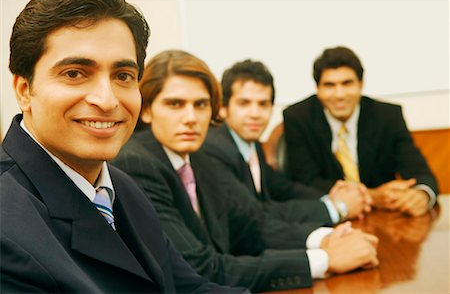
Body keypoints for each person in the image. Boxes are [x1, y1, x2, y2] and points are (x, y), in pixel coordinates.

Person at [0, 0, 247, 292]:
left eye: (123, 75)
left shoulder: (122, 187)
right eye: (75, 73)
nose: (107, 100)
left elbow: (189, 288)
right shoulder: (7, 227)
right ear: (24, 90)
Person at [112, 49, 379, 292]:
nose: (191, 117)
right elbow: (199, 268)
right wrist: (325, 259)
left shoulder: (198, 156)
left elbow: (249, 228)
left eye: (201, 105)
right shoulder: (137, 163)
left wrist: (327, 238)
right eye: (175, 104)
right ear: (146, 110)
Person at [203, 59, 372, 224]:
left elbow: (282, 187)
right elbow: (255, 213)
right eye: (244, 103)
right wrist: (336, 208)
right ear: (223, 108)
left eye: (263, 104)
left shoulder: (250, 143)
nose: (255, 113)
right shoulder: (213, 150)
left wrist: (332, 196)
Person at [283, 46, 438, 217]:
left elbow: (421, 173)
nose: (339, 94)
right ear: (318, 90)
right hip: (330, 218)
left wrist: (421, 195)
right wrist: (371, 196)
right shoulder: (298, 118)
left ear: (361, 84)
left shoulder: (388, 116)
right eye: (329, 85)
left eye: (347, 83)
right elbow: (306, 183)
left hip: (384, 219)